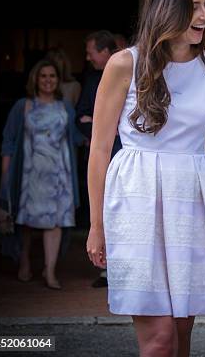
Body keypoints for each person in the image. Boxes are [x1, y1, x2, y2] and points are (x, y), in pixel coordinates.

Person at [86, 0, 205, 357]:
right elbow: (100, 151)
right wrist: (96, 225)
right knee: (159, 341)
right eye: (193, 6)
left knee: (182, 335)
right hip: (136, 199)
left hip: (192, 201)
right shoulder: (125, 63)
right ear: (165, 9)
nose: (204, 15)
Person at [0, 59, 84, 289]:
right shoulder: (23, 105)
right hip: (31, 175)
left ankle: (50, 271)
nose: (48, 80)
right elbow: (8, 141)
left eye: (52, 76)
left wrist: (94, 128)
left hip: (60, 176)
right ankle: (24, 261)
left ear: (58, 80)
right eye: (43, 76)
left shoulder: (65, 105)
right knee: (27, 222)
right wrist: (5, 177)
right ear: (35, 79)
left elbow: (75, 135)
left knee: (56, 222)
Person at [75, 30, 120, 288]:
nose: (88, 57)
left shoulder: (132, 71)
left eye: (91, 51)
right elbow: (80, 116)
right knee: (101, 205)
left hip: (126, 152)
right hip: (101, 151)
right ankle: (104, 267)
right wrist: (100, 129)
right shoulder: (92, 80)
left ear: (104, 51)